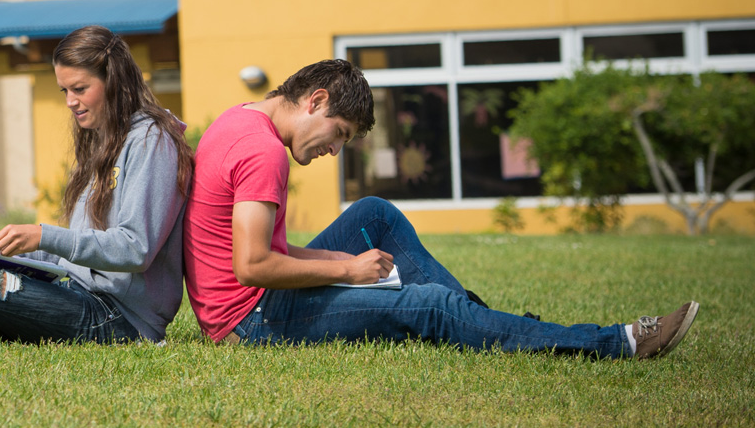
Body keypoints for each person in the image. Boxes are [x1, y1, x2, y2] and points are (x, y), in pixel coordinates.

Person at [182, 58, 699, 359]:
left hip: (246, 304)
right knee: (429, 305)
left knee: (374, 214)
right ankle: (619, 343)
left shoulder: (241, 119)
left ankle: (483, 323)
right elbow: (251, 266)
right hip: (248, 323)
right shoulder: (265, 152)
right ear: (316, 101)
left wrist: (339, 265)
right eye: (338, 136)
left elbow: (262, 252)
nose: (333, 152)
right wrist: (352, 270)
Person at [0, 25, 189, 344]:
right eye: (65, 91)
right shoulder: (102, 142)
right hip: (75, 292)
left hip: (119, 319)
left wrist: (44, 235)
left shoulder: (152, 142)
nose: (71, 101)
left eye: (80, 89)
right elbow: (70, 257)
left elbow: (135, 248)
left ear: (114, 83)